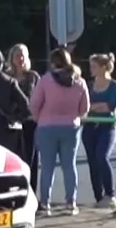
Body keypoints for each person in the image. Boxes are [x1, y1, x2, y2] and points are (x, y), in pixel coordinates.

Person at [28, 47, 91, 215]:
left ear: (53, 62)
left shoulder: (46, 80)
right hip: (71, 127)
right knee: (69, 166)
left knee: (47, 167)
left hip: (46, 126)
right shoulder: (79, 81)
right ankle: (71, 202)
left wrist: (38, 117)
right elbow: (85, 107)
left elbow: (34, 104)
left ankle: (45, 204)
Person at [82, 53, 116, 207]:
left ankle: (110, 194)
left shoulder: (114, 85)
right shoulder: (89, 85)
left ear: (103, 67)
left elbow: (111, 106)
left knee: (102, 156)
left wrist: (94, 107)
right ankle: (99, 197)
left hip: (107, 127)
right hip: (90, 127)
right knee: (92, 161)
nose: (91, 69)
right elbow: (84, 106)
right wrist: (96, 107)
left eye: (94, 66)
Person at [7, 44, 41, 192]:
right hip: (12, 123)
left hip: (31, 122)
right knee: (13, 159)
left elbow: (41, 96)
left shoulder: (33, 76)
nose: (20, 59)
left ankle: (32, 192)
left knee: (31, 159)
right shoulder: (7, 77)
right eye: (17, 55)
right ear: (12, 58)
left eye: (23, 55)